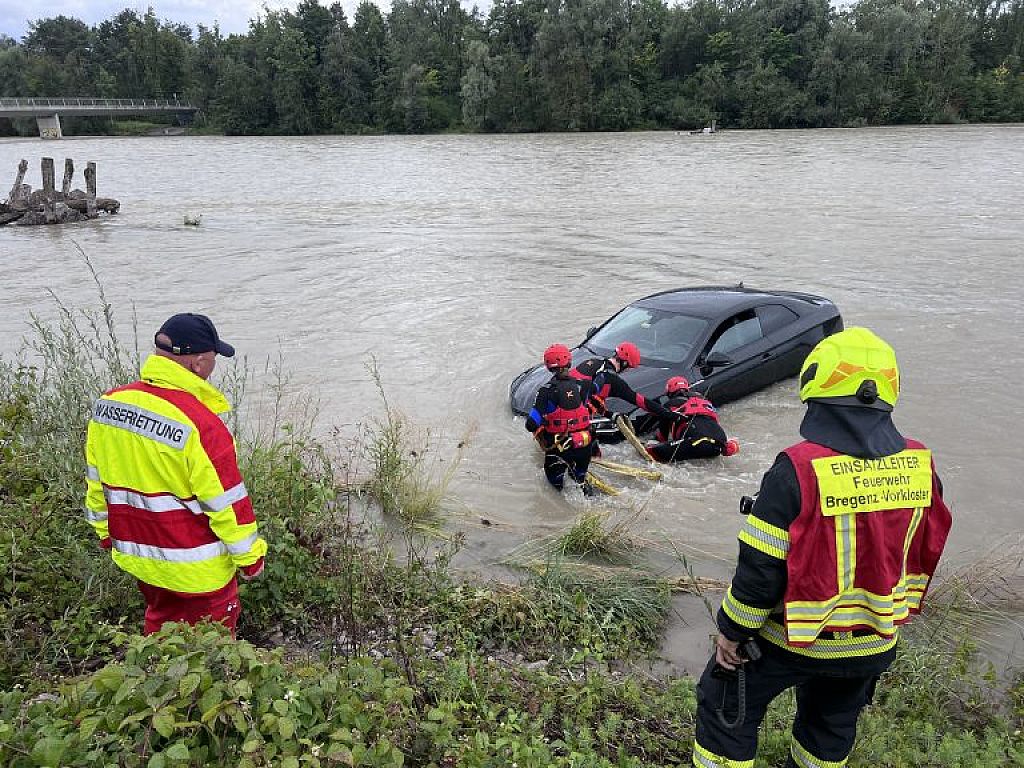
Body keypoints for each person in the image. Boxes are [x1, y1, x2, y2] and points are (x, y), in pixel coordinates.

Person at [692, 327, 952, 768]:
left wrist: (732, 632)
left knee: (724, 705)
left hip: (789, 640)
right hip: (873, 641)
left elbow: (761, 569)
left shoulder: (797, 468)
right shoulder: (921, 467)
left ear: (817, 386)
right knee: (830, 728)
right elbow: (921, 550)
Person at [84, 313, 267, 636]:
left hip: (140, 556)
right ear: (198, 364)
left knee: (160, 627)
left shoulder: (108, 405)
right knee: (213, 648)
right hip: (197, 568)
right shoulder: (202, 425)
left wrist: (103, 532)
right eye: (213, 359)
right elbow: (226, 503)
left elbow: (96, 482)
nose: (213, 367)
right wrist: (251, 559)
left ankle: (154, 676)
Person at [525, 344, 595, 493]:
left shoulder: (545, 391)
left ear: (548, 367)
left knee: (555, 488)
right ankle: (582, 483)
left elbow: (531, 424)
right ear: (569, 362)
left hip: (559, 447)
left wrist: (544, 421)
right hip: (585, 445)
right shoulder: (585, 385)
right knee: (580, 481)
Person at [570, 341, 681, 432]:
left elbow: (583, 394)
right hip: (576, 424)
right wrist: (671, 415)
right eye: (629, 367)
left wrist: (609, 414)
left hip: (559, 413)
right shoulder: (614, 381)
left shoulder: (590, 362)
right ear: (624, 363)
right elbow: (642, 402)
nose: (627, 370)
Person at [641, 376, 739, 462]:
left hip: (696, 442)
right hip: (720, 441)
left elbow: (662, 437)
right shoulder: (704, 401)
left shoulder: (670, 405)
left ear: (669, 391)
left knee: (652, 452)